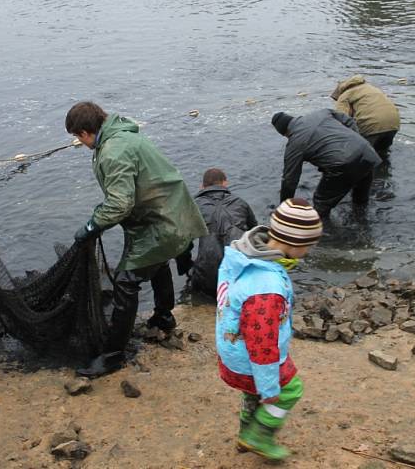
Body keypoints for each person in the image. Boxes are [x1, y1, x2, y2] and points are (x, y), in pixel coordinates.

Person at [66, 101, 207, 377]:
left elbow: (120, 204)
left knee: (126, 283)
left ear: (84, 132)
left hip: (161, 222)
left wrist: (92, 225)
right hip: (166, 213)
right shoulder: (124, 133)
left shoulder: (113, 151)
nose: (79, 143)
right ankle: (164, 317)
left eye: (77, 137)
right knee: (157, 263)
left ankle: (113, 356)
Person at [216, 198, 322, 462]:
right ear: (294, 243)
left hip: (232, 351)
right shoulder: (266, 287)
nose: (309, 251)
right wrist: (270, 386)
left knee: (252, 395)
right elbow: (261, 344)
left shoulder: (243, 255)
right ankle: (259, 436)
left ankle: (245, 435)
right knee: (289, 390)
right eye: (308, 245)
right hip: (250, 360)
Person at [272, 109, 381, 219]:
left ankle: (325, 234)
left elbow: (289, 180)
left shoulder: (294, 144)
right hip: (367, 152)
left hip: (343, 166)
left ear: (285, 132)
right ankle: (363, 226)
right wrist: (356, 142)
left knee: (321, 203)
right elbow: (349, 121)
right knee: (360, 200)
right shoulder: (321, 113)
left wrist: (284, 207)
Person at [175, 168, 257, 297]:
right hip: (238, 275)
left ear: (202, 186)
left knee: (195, 278)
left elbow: (181, 244)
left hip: (208, 281)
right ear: (225, 183)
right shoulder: (241, 203)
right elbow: (255, 235)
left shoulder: (193, 206)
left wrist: (187, 268)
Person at [331, 75, 400, 160]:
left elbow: (342, 118)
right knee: (383, 154)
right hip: (394, 123)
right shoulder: (371, 88)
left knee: (363, 157)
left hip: (372, 125)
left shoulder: (344, 95)